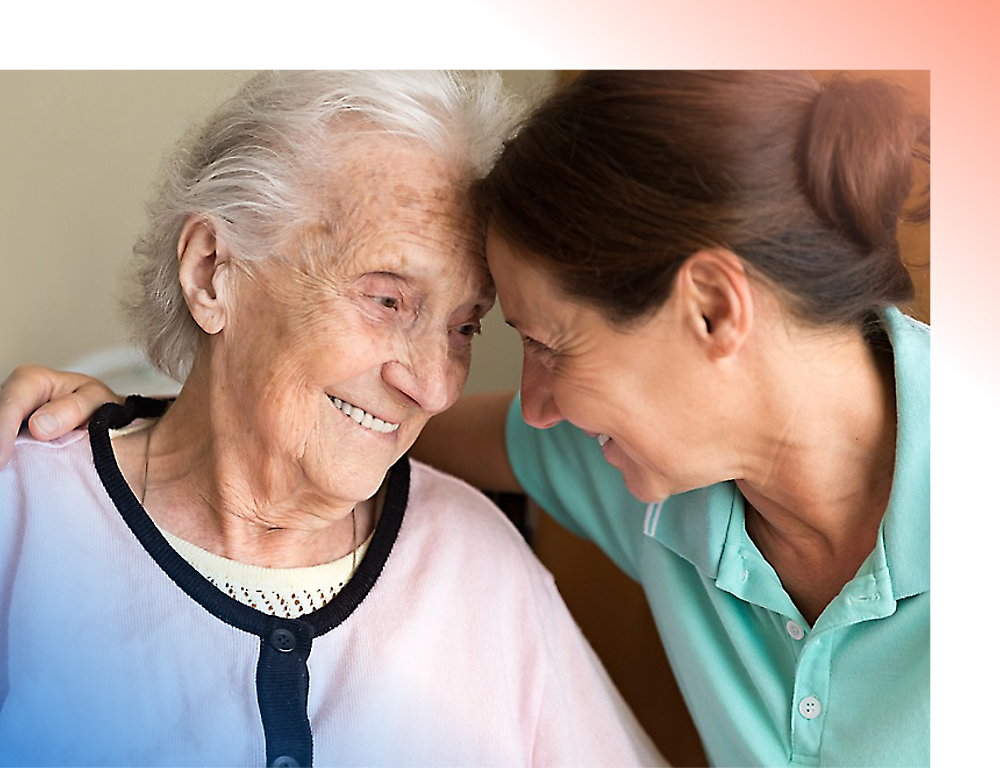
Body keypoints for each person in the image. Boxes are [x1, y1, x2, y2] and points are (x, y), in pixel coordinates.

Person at [0, 69, 936, 767]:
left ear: (714, 316)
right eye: (387, 299)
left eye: (466, 328)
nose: (443, 387)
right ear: (214, 272)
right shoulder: (24, 511)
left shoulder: (494, 551)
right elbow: (313, 423)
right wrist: (128, 427)